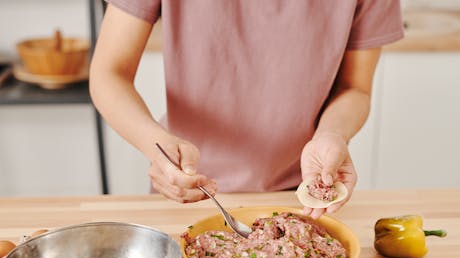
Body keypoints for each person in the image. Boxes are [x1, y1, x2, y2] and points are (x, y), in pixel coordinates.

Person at [90, 1, 404, 219]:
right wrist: (156, 146)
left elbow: (355, 87)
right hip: (186, 192)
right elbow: (108, 73)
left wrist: (332, 134)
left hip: (299, 196)